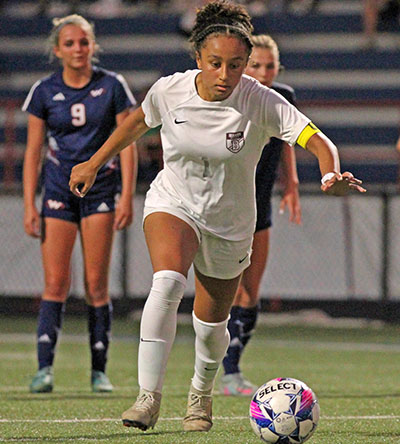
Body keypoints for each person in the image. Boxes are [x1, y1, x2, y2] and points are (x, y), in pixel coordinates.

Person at [69, 0, 365, 433]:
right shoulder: (169, 91)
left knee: (211, 325)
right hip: (174, 202)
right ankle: (148, 397)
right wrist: (94, 162)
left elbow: (317, 140)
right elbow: (137, 123)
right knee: (167, 282)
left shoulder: (260, 100)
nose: (225, 74)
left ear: (246, 63)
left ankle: (200, 393)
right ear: (198, 58)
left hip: (230, 222)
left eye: (236, 65)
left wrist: (329, 174)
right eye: (215, 63)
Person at [22, 14, 137, 393]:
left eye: (84, 42)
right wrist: (29, 204)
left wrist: (126, 195)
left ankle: (99, 371)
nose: (78, 49)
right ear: (57, 50)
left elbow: (127, 142)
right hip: (58, 191)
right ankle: (44, 369)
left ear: (93, 46)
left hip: (100, 191)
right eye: (69, 43)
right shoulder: (44, 91)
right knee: (56, 282)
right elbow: (33, 152)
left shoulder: (112, 85)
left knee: (96, 284)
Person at [219, 33, 302, 397]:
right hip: (225, 207)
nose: (264, 73)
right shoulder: (228, 96)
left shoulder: (283, 97)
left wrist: (291, 183)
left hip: (260, 203)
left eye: (270, 66)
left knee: (251, 293)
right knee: (232, 291)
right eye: (256, 65)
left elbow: (289, 138)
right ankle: (227, 372)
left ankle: (232, 368)